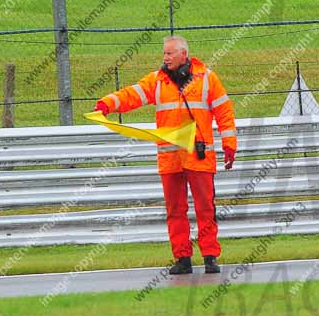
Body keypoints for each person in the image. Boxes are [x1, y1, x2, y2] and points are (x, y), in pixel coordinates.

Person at [94, 36, 237, 274]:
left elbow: (224, 112)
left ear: (184, 55)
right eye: (164, 54)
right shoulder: (157, 80)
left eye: (170, 53)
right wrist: (107, 104)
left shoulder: (207, 78)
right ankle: (182, 259)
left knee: (205, 209)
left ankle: (210, 256)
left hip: (198, 156)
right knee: (175, 210)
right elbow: (132, 94)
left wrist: (229, 143)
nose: (165, 58)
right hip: (170, 158)